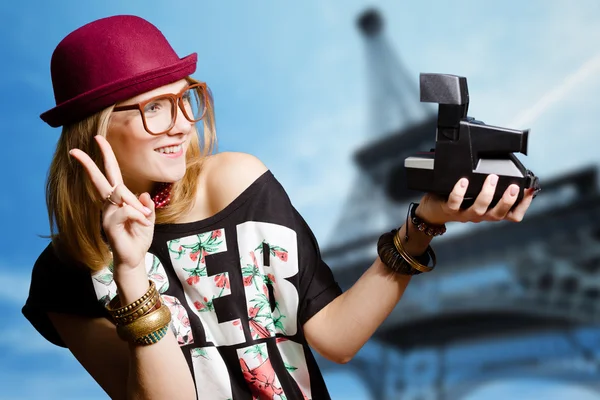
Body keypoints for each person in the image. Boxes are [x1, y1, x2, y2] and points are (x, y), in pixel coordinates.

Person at [22, 14, 536, 400]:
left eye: (186, 98)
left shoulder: (236, 182)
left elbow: (336, 338)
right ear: (95, 130)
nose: (181, 123)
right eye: (154, 107)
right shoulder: (65, 275)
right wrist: (132, 273)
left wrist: (424, 223)